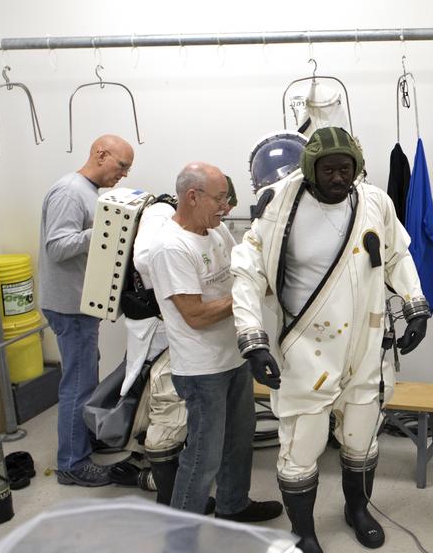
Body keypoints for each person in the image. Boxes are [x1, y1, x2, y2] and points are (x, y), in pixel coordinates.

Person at [231, 127, 430, 553]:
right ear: (310, 169)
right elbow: (246, 273)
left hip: (366, 346)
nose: (339, 178)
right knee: (302, 445)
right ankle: (303, 534)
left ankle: (357, 510)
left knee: (361, 436)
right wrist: (253, 340)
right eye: (329, 170)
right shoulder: (279, 203)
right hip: (306, 349)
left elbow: (398, 255)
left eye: (346, 169)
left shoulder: (375, 201)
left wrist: (416, 305)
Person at [145, 162, 281, 522]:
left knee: (239, 442)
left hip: (233, 356)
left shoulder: (216, 232)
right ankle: (181, 532)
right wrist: (246, 295)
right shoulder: (171, 248)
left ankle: (233, 506)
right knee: (204, 455)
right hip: (202, 369)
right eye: (220, 198)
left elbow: (240, 273)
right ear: (193, 196)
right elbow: (196, 314)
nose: (226, 206)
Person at [39, 134, 133, 486]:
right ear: (100, 153)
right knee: (78, 385)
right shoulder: (69, 191)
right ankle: (72, 464)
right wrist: (105, 231)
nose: (122, 174)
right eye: (121, 165)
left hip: (80, 303)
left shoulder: (88, 191)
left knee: (85, 378)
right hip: (69, 306)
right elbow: (57, 247)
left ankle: (83, 443)